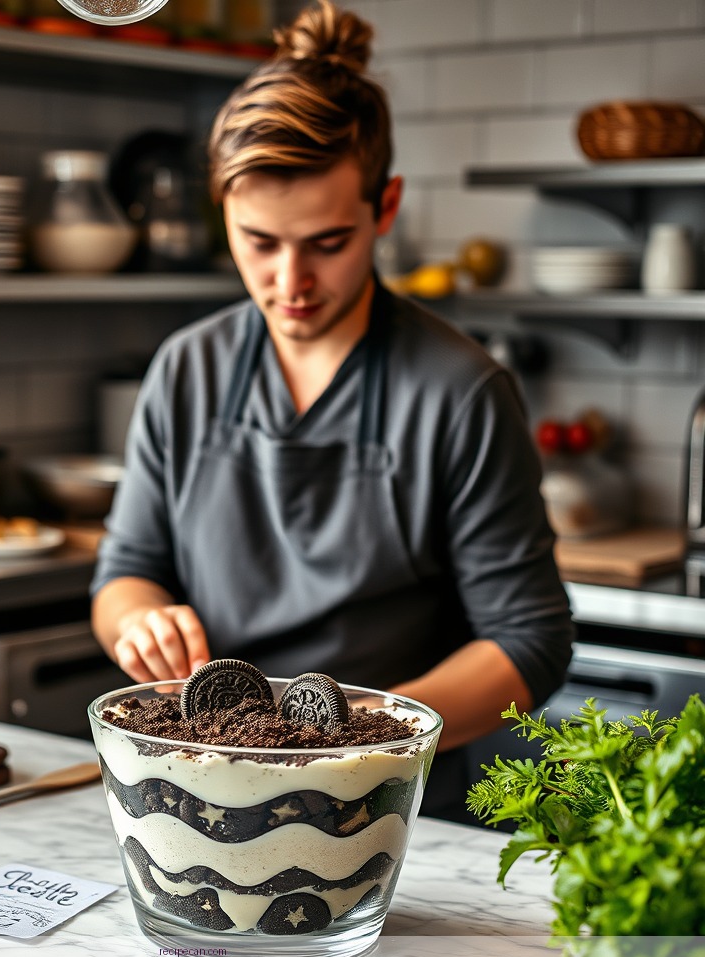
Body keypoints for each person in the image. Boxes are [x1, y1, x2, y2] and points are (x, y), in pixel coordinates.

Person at [90, 0, 573, 821]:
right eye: (258, 242)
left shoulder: (462, 392)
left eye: (326, 242)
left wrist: (357, 741)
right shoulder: (186, 370)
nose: (289, 282)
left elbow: (530, 643)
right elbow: (125, 572)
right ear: (224, 214)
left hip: (384, 809)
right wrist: (140, 621)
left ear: (383, 209)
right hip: (201, 802)